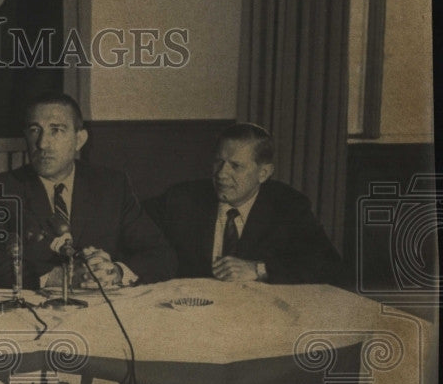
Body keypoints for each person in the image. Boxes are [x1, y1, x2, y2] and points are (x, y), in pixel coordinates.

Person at [0, 92, 176, 290]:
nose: (42, 143)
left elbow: (160, 254)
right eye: (34, 130)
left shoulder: (112, 186)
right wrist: (60, 277)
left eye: (56, 130)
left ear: (79, 139)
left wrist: (115, 272)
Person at [144, 122, 342, 284]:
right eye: (218, 162)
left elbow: (328, 265)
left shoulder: (288, 206)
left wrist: (259, 269)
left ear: (263, 173)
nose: (222, 174)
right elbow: (130, 223)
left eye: (235, 166)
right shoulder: (182, 198)